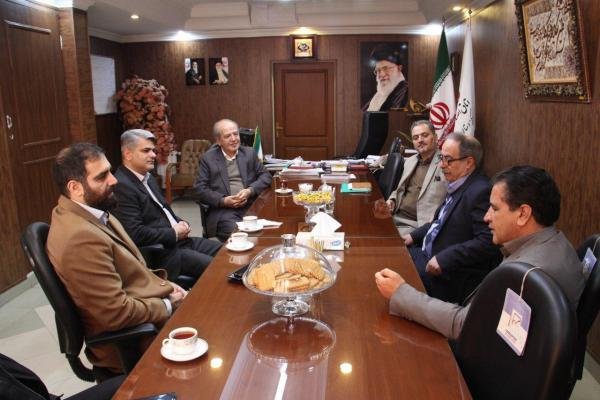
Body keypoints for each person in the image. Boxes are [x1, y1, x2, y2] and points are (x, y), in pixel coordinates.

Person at [375, 165, 586, 340]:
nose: (486, 217)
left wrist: (401, 293)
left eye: (495, 208)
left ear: (523, 214)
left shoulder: (525, 274)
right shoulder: (557, 242)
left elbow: (466, 326)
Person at [47, 143, 187, 373]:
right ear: (75, 187)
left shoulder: (92, 211)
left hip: (146, 313)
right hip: (138, 339)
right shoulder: (79, 238)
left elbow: (131, 272)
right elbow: (115, 313)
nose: (114, 180)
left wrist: (167, 286)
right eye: (102, 176)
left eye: (110, 171)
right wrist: (167, 304)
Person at [403, 133, 502, 303]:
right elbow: (439, 222)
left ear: (468, 163)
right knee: (389, 256)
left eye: (448, 160)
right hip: (426, 253)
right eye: (441, 158)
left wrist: (445, 258)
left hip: (447, 272)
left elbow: (488, 241)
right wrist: (413, 235)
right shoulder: (458, 183)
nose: (442, 165)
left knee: (390, 273)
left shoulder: (480, 191)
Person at [112, 129, 221, 281]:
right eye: (146, 151)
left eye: (153, 151)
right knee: (218, 268)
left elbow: (163, 211)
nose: (153, 155)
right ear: (128, 154)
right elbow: (135, 233)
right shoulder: (121, 185)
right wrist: (173, 233)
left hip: (180, 242)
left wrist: (181, 222)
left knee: (227, 252)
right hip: (163, 253)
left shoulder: (148, 178)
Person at [195, 119, 272, 241]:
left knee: (269, 231)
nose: (234, 139)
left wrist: (250, 191)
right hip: (225, 211)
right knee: (240, 236)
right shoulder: (208, 159)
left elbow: (266, 176)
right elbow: (200, 189)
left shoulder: (249, 153)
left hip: (251, 205)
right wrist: (224, 200)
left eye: (236, 134)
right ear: (218, 141)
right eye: (227, 136)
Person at [374, 120, 447, 235]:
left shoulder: (446, 163)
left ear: (435, 137)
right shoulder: (410, 161)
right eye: (415, 137)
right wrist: (392, 201)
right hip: (395, 216)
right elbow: (399, 190)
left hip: (417, 225)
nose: (420, 140)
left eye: (425, 135)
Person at [362, 44, 408, 111]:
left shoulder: (406, 92)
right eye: (378, 70)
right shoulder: (378, 95)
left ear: (399, 68)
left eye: (386, 68)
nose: (382, 74)